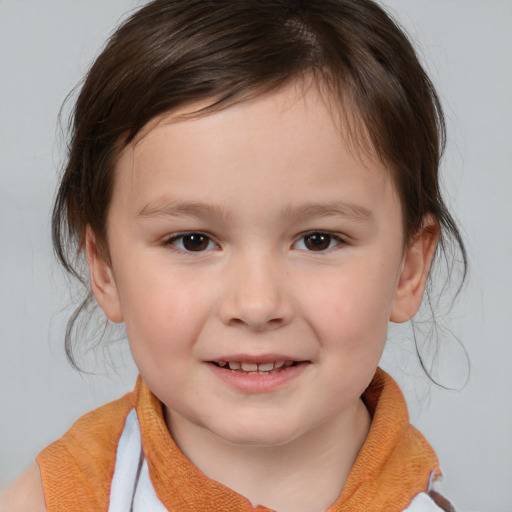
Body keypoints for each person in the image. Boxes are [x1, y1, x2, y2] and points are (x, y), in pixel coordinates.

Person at [0, 0, 466, 510]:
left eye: (318, 239)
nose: (258, 303)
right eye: (193, 240)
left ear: (409, 269)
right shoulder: (54, 499)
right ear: (104, 267)